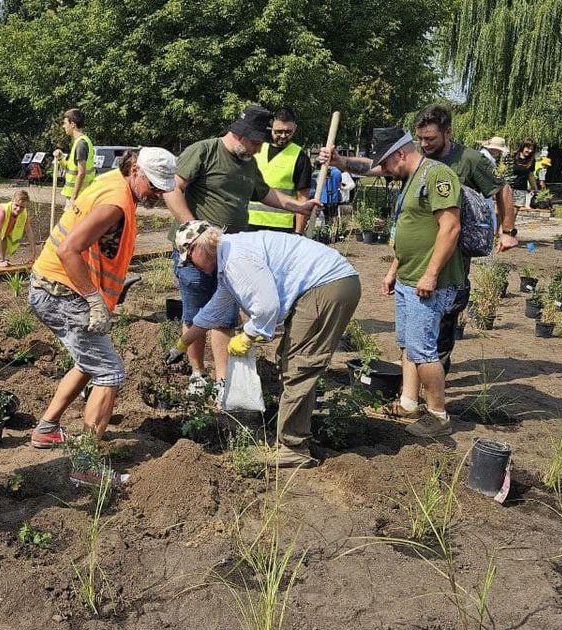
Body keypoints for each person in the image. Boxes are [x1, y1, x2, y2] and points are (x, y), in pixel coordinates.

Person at [322, 104, 517, 372]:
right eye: (421, 138)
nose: (424, 144)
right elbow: (380, 166)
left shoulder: (469, 160)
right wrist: (341, 162)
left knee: (444, 318)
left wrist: (507, 231)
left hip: (451, 254)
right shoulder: (416, 160)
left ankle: (437, 375)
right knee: (416, 321)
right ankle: (417, 374)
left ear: (448, 132)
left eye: (431, 139)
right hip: (415, 256)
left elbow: (502, 189)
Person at [165, 222, 360, 468]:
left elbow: (267, 307)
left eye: (190, 260)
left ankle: (293, 448)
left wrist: (248, 336)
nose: (192, 266)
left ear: (199, 248)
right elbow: (213, 311)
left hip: (328, 287)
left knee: (298, 364)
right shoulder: (229, 257)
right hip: (329, 284)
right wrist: (182, 344)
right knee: (293, 362)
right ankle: (295, 435)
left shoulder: (236, 259)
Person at [163, 104, 322, 395]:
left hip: (231, 255)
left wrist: (298, 205)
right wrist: (194, 228)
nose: (258, 148)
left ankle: (224, 380)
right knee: (195, 312)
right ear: (239, 134)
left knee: (224, 315)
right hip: (196, 254)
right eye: (256, 142)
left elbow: (265, 193)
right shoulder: (205, 151)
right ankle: (198, 374)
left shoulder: (248, 162)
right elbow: (172, 188)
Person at [28, 147, 176, 448]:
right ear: (135, 170)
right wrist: (94, 299)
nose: (157, 194)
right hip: (60, 290)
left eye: (163, 189)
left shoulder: (115, 182)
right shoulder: (116, 203)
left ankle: (46, 428)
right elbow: (68, 249)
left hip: (54, 284)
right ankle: (86, 462)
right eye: (153, 186)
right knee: (109, 372)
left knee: (89, 361)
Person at [355, 128, 464, 436]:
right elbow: (410, 231)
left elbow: (450, 228)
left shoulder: (436, 176)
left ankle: (438, 415)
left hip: (429, 282)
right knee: (407, 345)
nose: (385, 171)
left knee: (423, 349)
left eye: (386, 164)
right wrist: (393, 271)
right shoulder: (410, 180)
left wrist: (430, 274)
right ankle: (407, 403)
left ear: (400, 153)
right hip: (407, 277)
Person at [248, 108, 314, 234]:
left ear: (295, 128)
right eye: (279, 131)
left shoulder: (299, 157)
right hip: (248, 223)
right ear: (271, 126)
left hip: (281, 228)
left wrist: (298, 233)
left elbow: (302, 198)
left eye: (288, 132)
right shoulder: (255, 148)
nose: (283, 136)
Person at [55, 109, 96, 209]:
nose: (63, 126)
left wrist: (74, 197)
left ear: (72, 124)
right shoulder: (79, 142)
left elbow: (81, 173)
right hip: (80, 195)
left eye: (65, 123)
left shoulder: (81, 144)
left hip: (79, 197)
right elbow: (70, 168)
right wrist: (60, 158)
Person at [511, 139, 537, 208]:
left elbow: (530, 175)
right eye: (528, 148)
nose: (530, 151)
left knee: (514, 213)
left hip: (521, 190)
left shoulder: (532, 160)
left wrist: (534, 189)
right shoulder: (512, 157)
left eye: (532, 149)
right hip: (509, 188)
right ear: (522, 146)